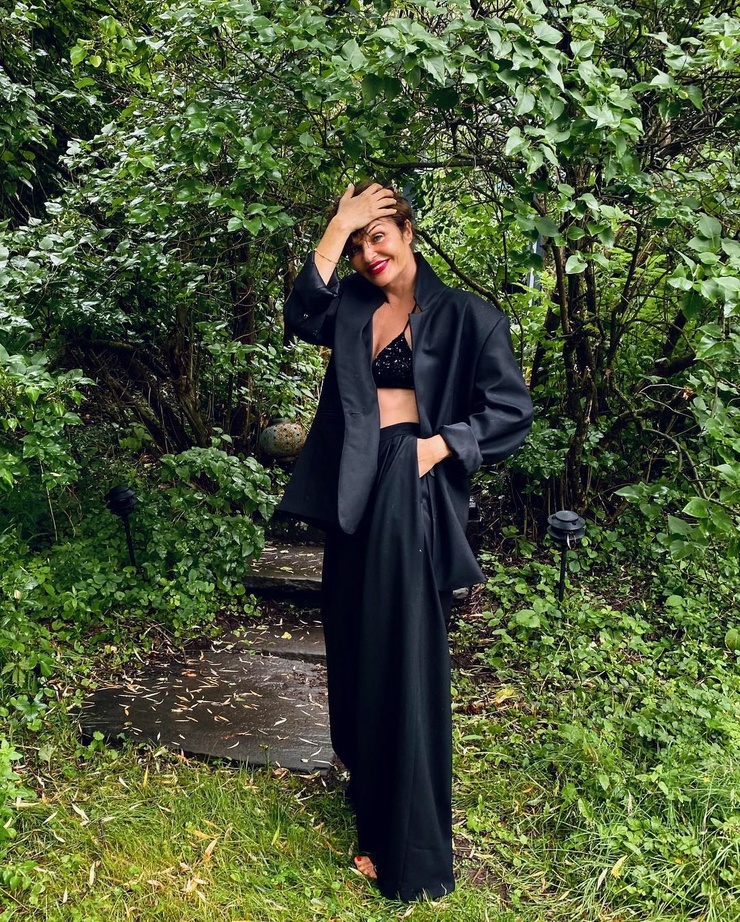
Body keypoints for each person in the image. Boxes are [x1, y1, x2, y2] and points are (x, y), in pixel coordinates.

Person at [277, 181, 533, 901]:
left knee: (403, 657)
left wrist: (440, 446)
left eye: (379, 236)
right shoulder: (353, 305)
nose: (369, 254)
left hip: (408, 485)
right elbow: (301, 313)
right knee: (355, 646)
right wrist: (338, 225)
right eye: (359, 244)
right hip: (351, 491)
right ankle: (371, 803)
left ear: (409, 233)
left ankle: (409, 851)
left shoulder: (467, 317)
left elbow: (511, 411)